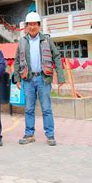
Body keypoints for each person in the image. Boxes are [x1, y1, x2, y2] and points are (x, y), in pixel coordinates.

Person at [13, 12, 65, 146]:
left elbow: (57, 57)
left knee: (46, 108)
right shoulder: (22, 41)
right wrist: (17, 78)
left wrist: (61, 77)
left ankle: (50, 135)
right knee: (28, 109)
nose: (32, 27)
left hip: (43, 79)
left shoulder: (47, 40)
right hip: (28, 80)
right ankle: (29, 134)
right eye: (29, 24)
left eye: (34, 24)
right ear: (26, 26)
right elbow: (17, 60)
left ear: (39, 26)